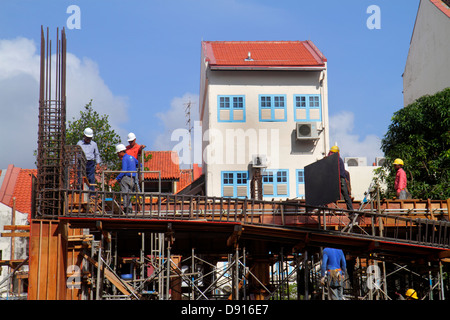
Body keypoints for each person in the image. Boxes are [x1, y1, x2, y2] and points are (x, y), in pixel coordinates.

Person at [109, 144, 138, 213]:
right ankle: (129, 209)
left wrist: (115, 180)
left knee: (125, 194)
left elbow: (124, 171)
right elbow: (139, 164)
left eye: (118, 154)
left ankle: (126, 209)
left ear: (121, 152)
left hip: (126, 179)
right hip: (133, 179)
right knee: (129, 195)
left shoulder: (124, 159)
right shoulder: (132, 157)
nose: (118, 155)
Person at [328, 146, 354, 212]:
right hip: (341, 180)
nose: (330, 154)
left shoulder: (336, 159)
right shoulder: (338, 159)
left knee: (344, 196)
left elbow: (334, 170)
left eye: (331, 152)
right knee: (346, 197)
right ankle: (351, 212)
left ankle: (351, 211)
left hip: (339, 180)